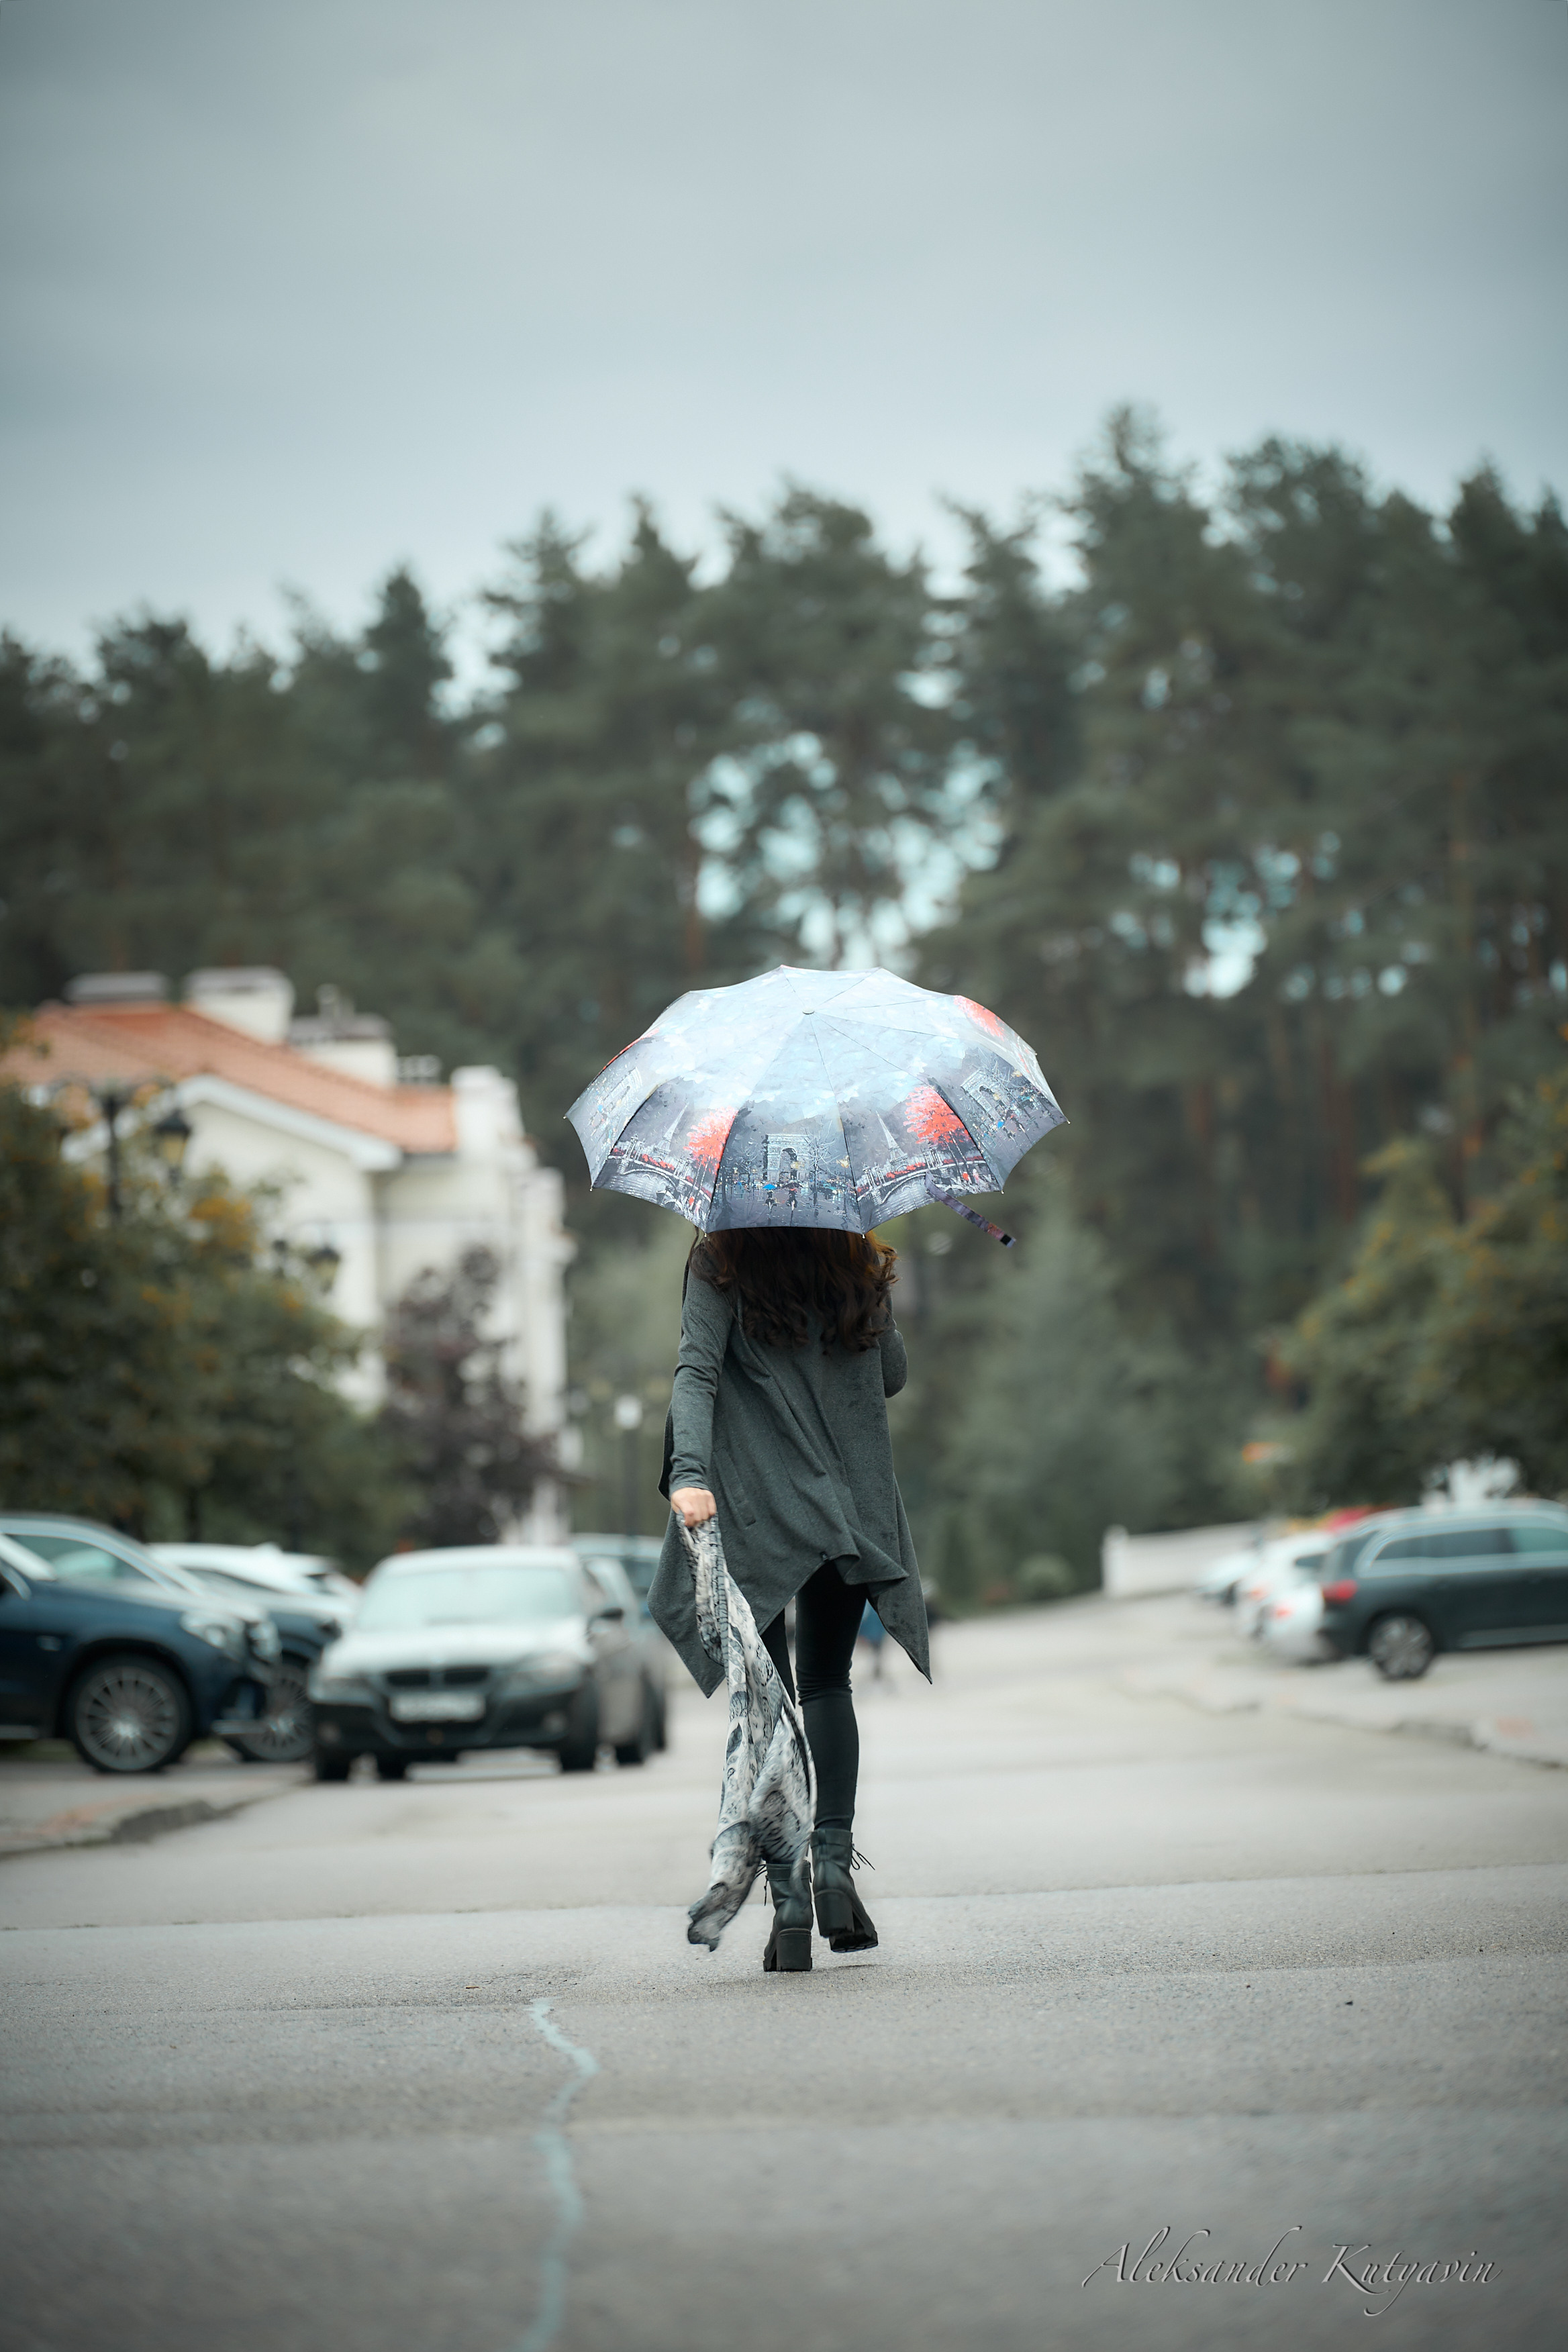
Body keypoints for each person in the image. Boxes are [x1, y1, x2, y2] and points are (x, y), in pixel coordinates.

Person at [649, 1226, 930, 1973]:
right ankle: (831, 1865)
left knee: (767, 1701)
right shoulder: (852, 1256)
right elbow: (891, 1375)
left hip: (754, 1511)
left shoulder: (721, 1258)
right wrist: (870, 1290)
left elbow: (696, 1371)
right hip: (843, 1508)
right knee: (826, 1684)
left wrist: (688, 1473)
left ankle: (790, 1901)